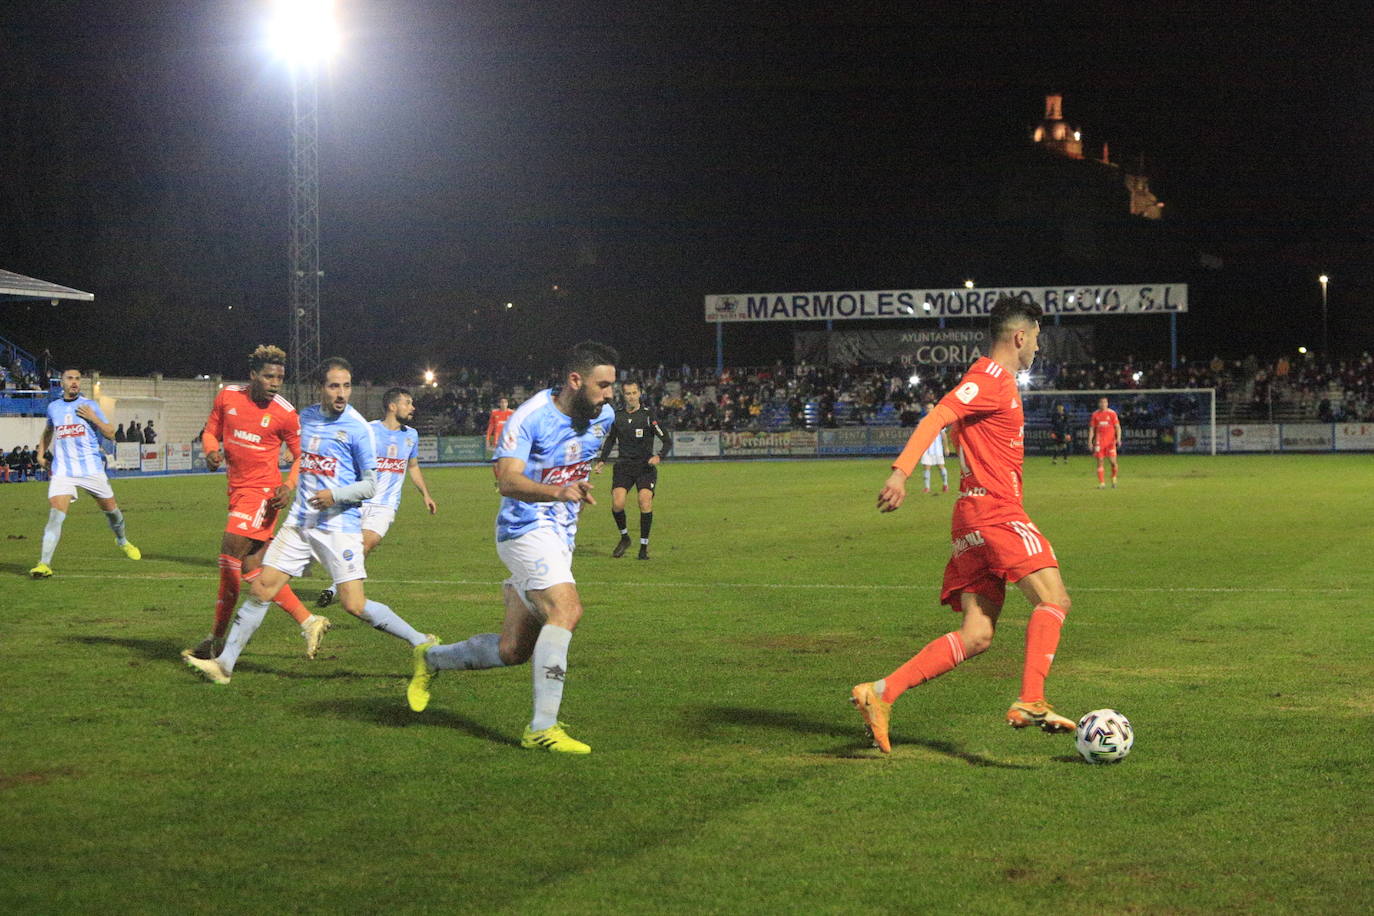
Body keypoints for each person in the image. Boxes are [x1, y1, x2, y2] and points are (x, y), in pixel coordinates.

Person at [850, 296, 1076, 755]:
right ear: (1019, 336)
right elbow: (938, 416)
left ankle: (882, 691)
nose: (1037, 345)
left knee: (977, 635)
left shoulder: (998, 381)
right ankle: (1032, 698)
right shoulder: (989, 378)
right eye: (1035, 337)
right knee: (1054, 599)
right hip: (996, 512)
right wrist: (901, 472)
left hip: (971, 518)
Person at [407, 341, 618, 754]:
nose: (609, 394)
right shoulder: (529, 419)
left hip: (561, 535)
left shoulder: (603, 416)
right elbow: (506, 481)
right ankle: (542, 728)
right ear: (576, 380)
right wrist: (558, 491)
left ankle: (431, 659)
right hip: (523, 530)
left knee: (513, 650)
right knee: (567, 610)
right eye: (603, 385)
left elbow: (580, 457)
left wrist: (577, 484)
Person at [184, 357, 434, 685]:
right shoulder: (307, 418)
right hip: (301, 522)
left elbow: (370, 485)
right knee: (261, 588)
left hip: (339, 527)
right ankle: (224, 665)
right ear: (321, 389)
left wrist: (336, 494)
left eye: (346, 385)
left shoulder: (358, 429)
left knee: (354, 605)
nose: (341, 393)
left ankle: (420, 641)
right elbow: (296, 451)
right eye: (334, 386)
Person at [183, 345, 330, 662]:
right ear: (253, 375)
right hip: (237, 491)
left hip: (263, 496)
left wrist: (288, 485)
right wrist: (210, 451)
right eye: (268, 376)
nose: (275, 382)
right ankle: (309, 621)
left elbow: (302, 456)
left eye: (279, 377)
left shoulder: (285, 413)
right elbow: (210, 431)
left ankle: (216, 641)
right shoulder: (228, 397)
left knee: (228, 562)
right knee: (253, 572)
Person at [317, 386, 438, 608]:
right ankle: (340, 582)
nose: (413, 407)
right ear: (393, 406)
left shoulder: (411, 435)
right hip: (360, 498)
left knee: (367, 543)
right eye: (407, 403)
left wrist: (426, 495)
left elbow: (413, 467)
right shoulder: (369, 430)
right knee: (341, 543)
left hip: (386, 505)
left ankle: (334, 588)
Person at [29, 368, 141, 578]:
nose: (74, 382)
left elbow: (110, 433)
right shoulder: (54, 407)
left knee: (112, 512)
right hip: (63, 471)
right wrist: (40, 453)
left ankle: (122, 540)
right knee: (55, 516)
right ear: (61, 382)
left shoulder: (90, 406)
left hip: (91, 469)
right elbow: (48, 430)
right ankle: (44, 564)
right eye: (70, 378)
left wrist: (93, 418)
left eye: (77, 379)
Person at [594, 378, 672, 559]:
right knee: (617, 503)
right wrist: (602, 460)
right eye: (627, 393)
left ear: (640, 393)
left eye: (634, 393)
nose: (631, 397)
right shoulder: (617, 416)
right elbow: (611, 439)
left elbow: (666, 440)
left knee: (644, 501)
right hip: (623, 467)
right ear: (623, 395)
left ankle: (643, 547)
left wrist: (659, 456)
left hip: (645, 467)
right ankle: (625, 537)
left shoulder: (648, 415)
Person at [917, 400, 951, 494]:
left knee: (941, 467)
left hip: (937, 449)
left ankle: (945, 484)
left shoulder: (939, 420)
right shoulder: (922, 421)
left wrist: (946, 447)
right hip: (926, 449)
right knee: (926, 467)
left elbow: (943, 435)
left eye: (931, 408)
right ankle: (927, 487)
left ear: (934, 409)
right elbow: (919, 435)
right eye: (928, 408)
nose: (930, 410)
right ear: (925, 409)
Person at [1089, 396, 1121, 488]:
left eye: (1105, 402)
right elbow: (1092, 429)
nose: (1103, 404)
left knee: (1113, 462)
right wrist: (1090, 441)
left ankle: (1114, 478)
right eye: (1101, 402)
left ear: (1107, 404)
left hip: (1111, 442)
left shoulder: (1112, 413)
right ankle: (1102, 483)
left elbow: (1117, 427)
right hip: (1099, 442)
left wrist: (1118, 438)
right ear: (1099, 404)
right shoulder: (1095, 415)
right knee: (1100, 461)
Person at [485, 396, 514, 479]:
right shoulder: (494, 413)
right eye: (502, 402)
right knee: (495, 464)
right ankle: (498, 480)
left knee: (507, 463)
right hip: (497, 441)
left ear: (507, 403)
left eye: (505, 402)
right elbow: (491, 426)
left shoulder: (512, 413)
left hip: (509, 442)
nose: (503, 404)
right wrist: (487, 439)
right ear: (499, 403)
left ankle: (507, 480)